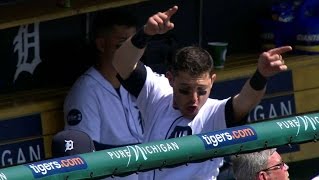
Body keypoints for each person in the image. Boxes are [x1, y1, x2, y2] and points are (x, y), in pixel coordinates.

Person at [112, 5, 292, 179]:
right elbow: (121, 64)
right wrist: (145, 33)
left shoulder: (214, 113)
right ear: (171, 79)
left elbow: (245, 101)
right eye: (185, 90)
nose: (194, 99)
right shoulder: (158, 94)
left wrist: (261, 75)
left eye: (202, 90)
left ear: (212, 82)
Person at [63, 8, 143, 179]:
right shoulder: (85, 92)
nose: (130, 53)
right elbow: (83, 152)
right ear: (101, 45)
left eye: (133, 44)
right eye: (121, 45)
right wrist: (133, 155)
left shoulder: (142, 81)